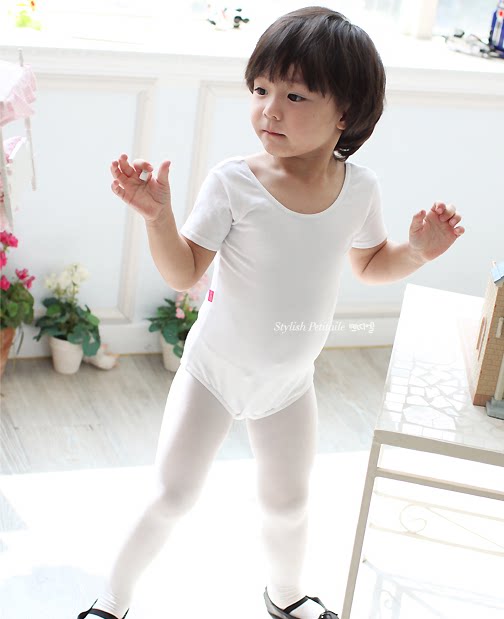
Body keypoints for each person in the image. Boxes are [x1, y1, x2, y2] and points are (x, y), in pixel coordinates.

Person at [77, 6, 465, 619]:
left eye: (294, 95)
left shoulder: (359, 189)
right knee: (173, 496)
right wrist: (159, 218)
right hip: (213, 374)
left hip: (288, 385)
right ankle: (110, 603)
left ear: (345, 113)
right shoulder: (235, 181)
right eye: (260, 90)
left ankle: (286, 598)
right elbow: (184, 271)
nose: (269, 110)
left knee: (288, 505)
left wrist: (415, 252)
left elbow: (369, 264)